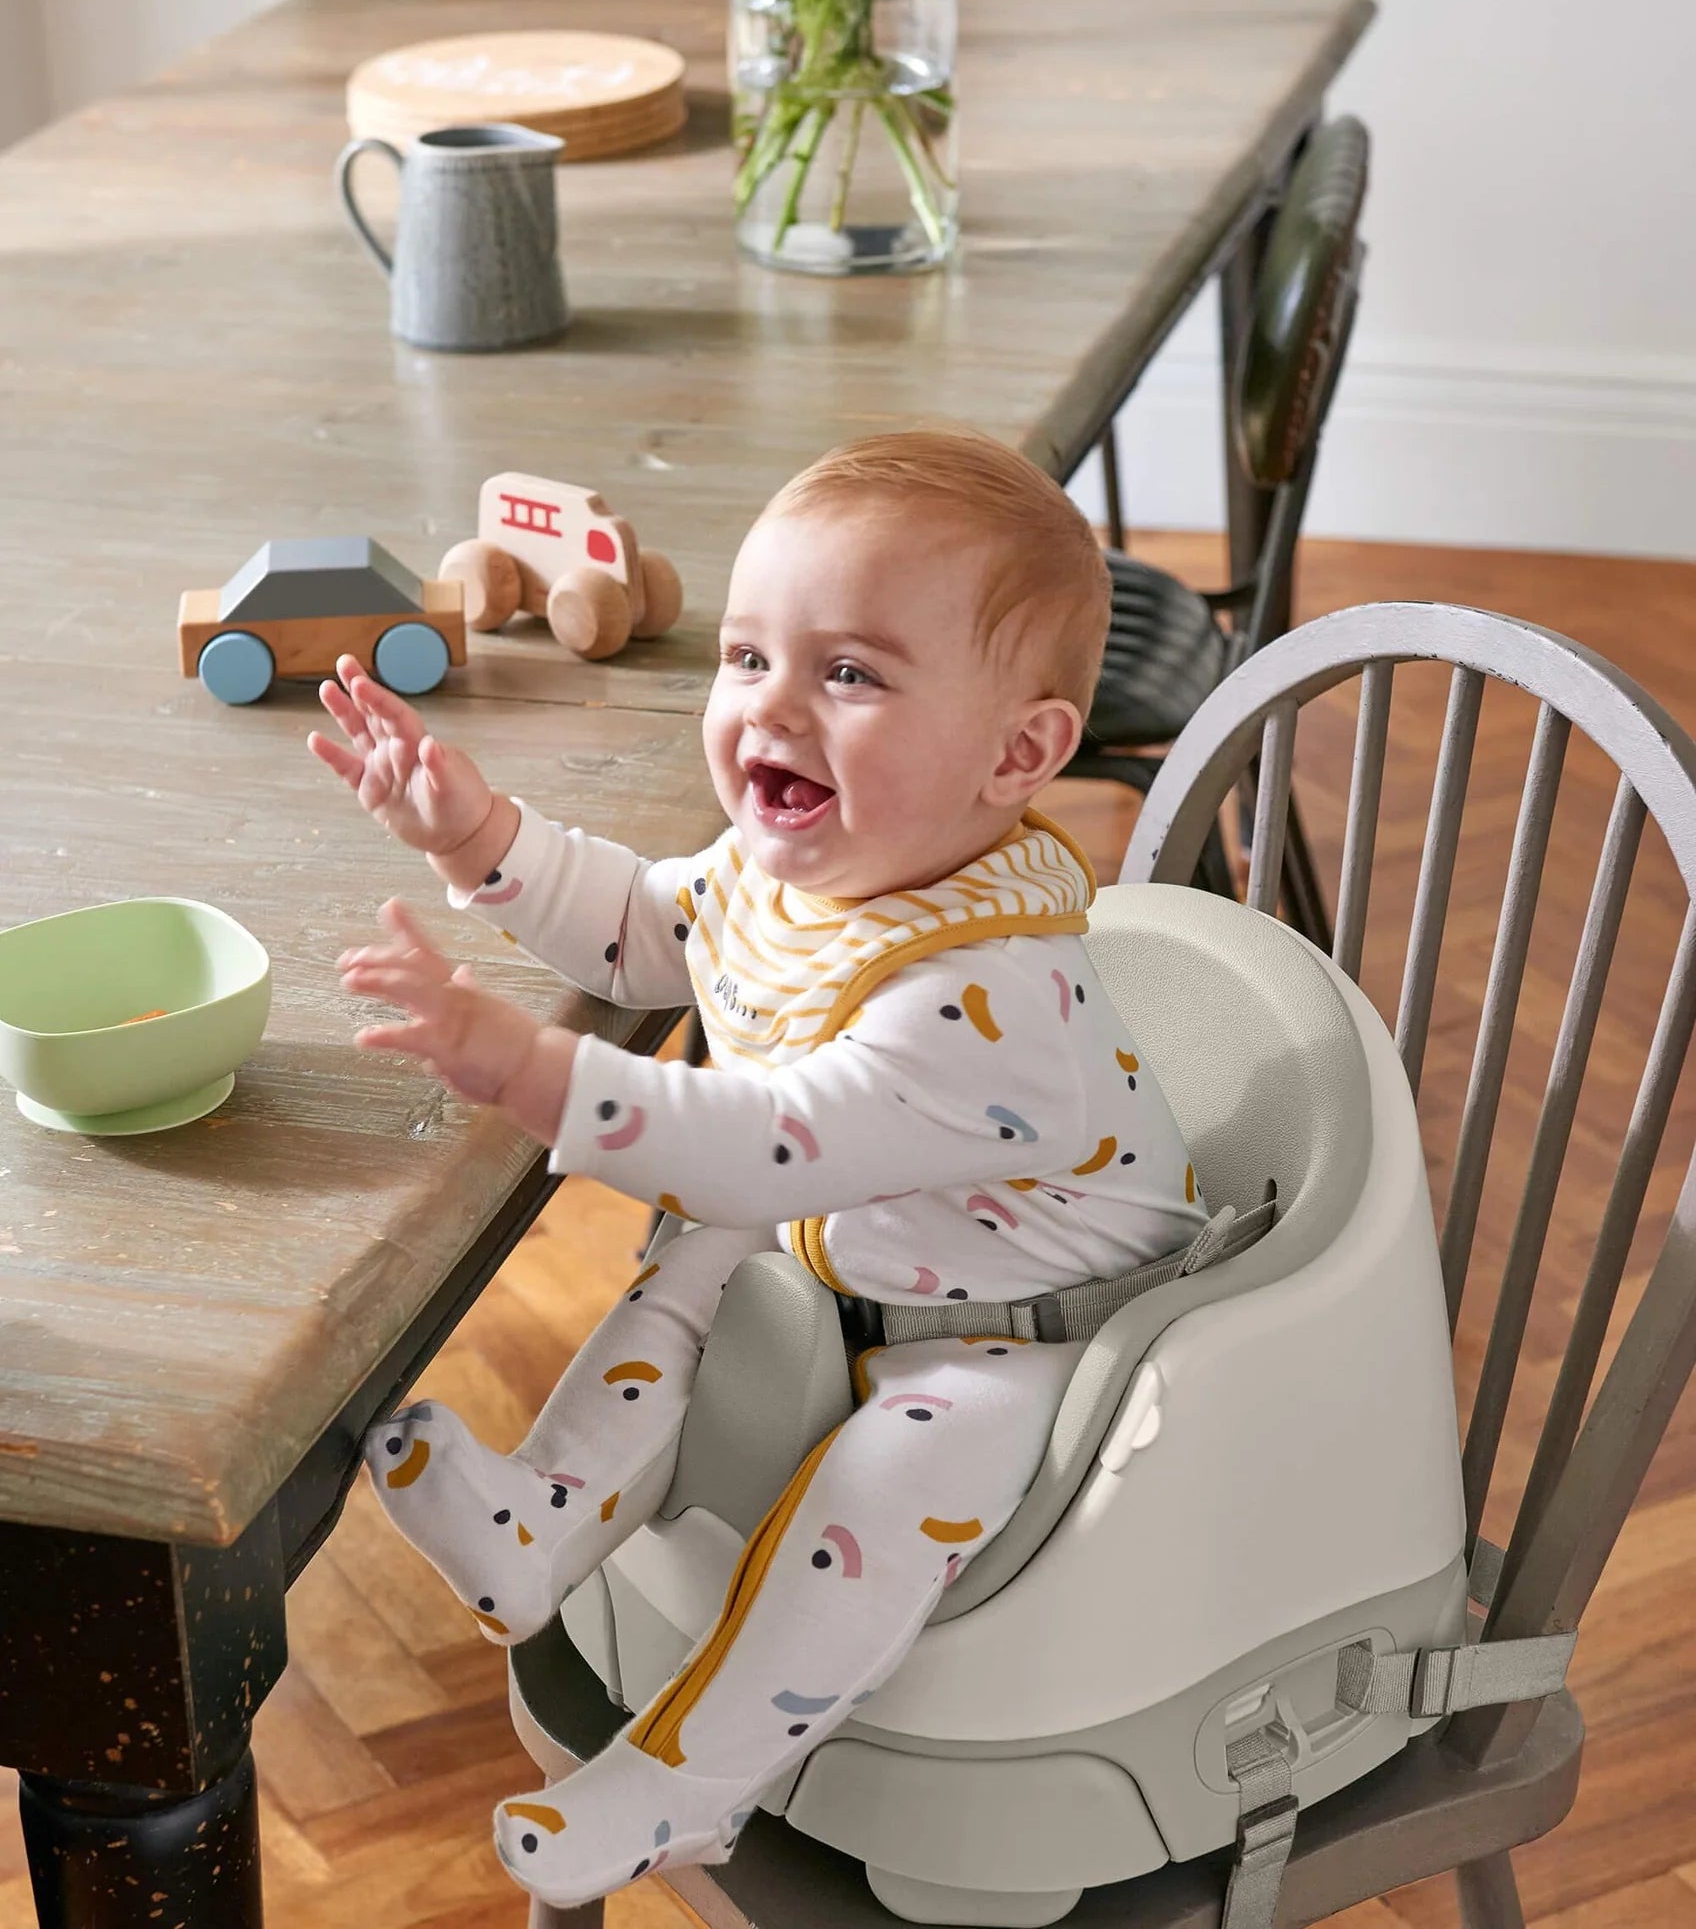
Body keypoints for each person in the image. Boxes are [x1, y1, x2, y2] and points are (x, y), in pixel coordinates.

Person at [310, 428, 1204, 1911]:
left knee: (887, 1483)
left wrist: (530, 1070)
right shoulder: (809, 880)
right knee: (693, 1272)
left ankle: (688, 1784)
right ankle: (544, 1519)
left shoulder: (986, 998)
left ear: (1017, 756)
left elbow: (766, 1144)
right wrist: (471, 833)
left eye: (848, 674)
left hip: (1031, 1348)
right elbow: (639, 925)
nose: (770, 709)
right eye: (745, 657)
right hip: (858, 1261)